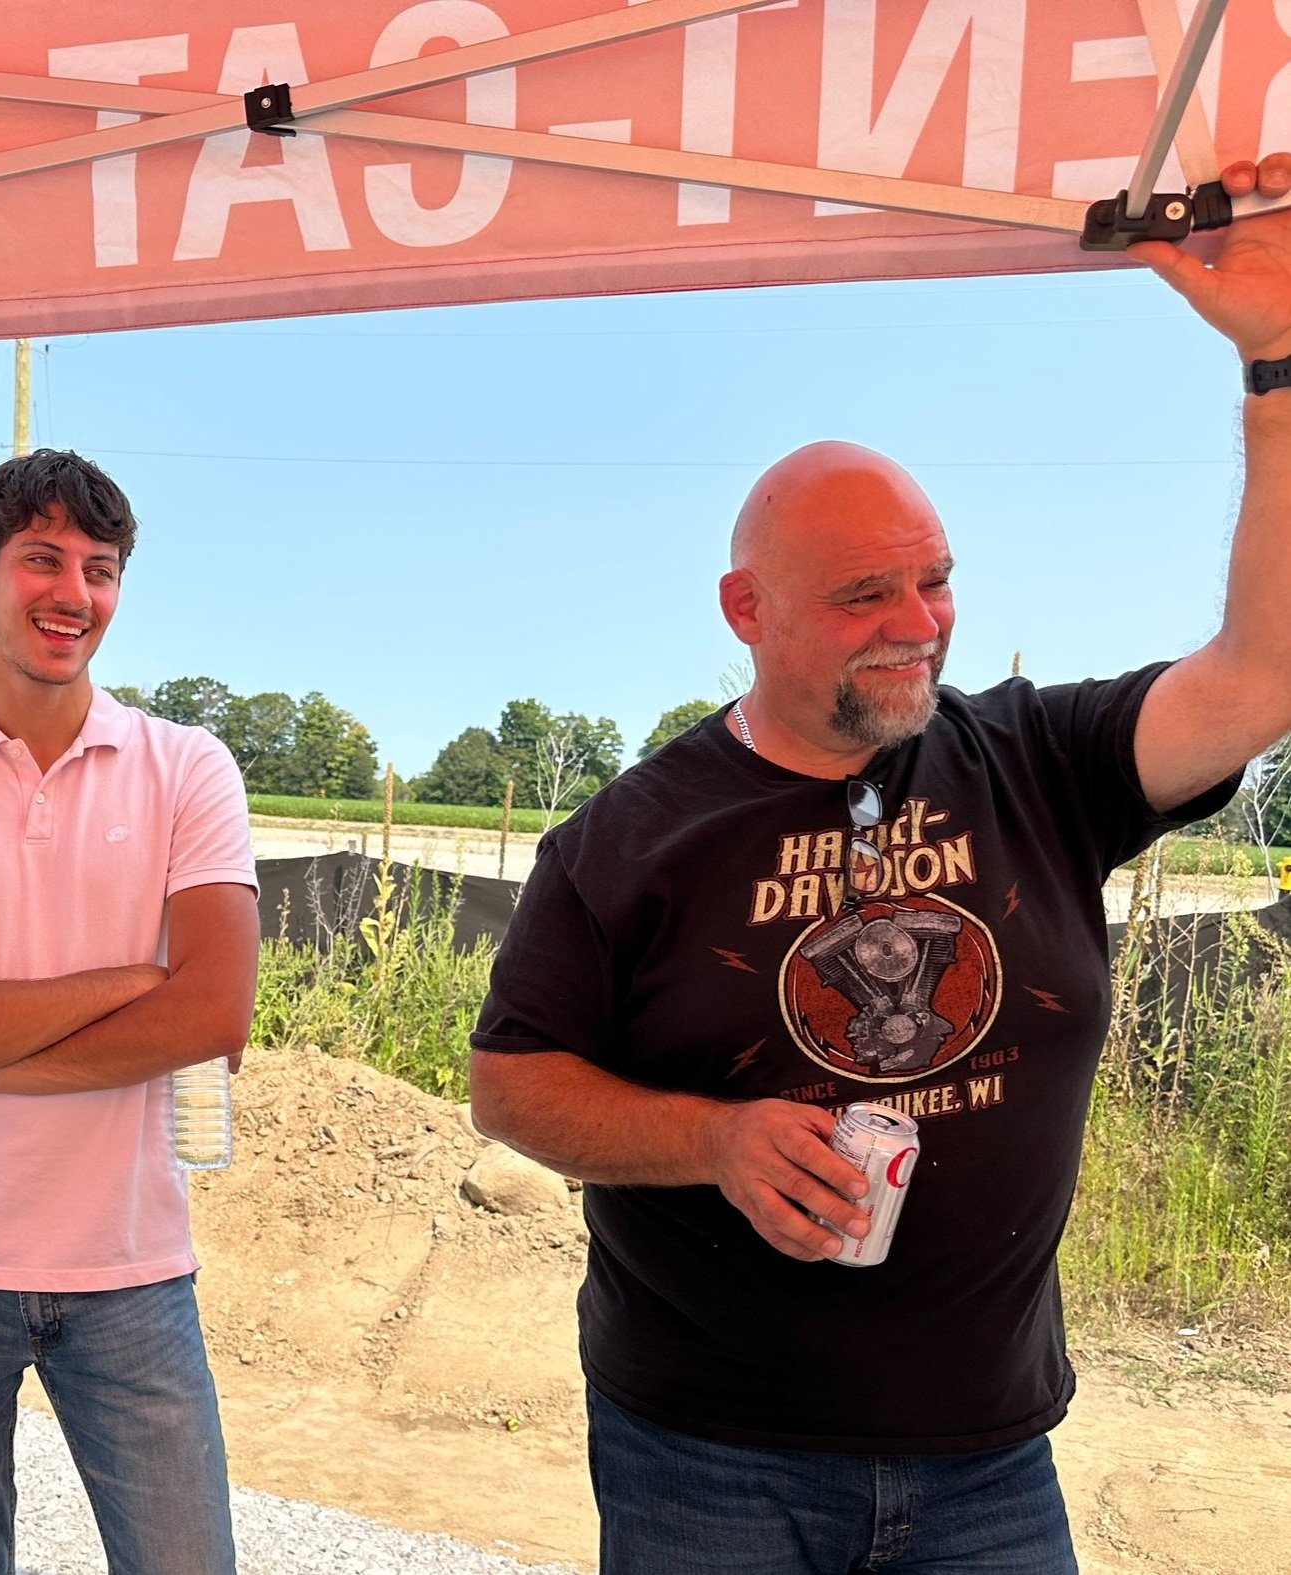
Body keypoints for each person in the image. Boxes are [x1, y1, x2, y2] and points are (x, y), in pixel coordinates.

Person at [467, 154, 1291, 1574]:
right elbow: (510, 1082)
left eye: (937, 577)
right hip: (704, 1458)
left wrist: (1280, 365)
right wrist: (714, 1141)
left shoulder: (1040, 761)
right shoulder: (627, 832)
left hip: (988, 1463)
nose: (921, 620)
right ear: (748, 607)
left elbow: (1264, 670)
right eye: (866, 593)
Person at [0, 449, 259, 1575]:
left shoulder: (188, 768)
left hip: (128, 1260)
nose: (74, 593)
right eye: (42, 560)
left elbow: (215, 1012)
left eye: (101, 568)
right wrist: (130, 983)